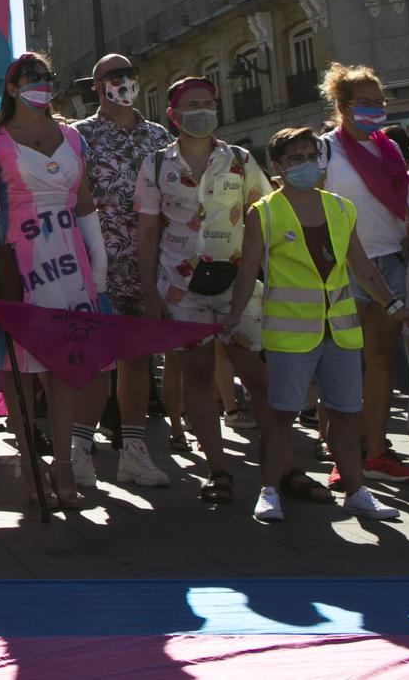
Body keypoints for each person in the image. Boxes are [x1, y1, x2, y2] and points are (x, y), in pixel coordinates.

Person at [0, 52, 105, 512]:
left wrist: (99, 265)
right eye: (32, 77)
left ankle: (62, 464)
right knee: (19, 370)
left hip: (71, 263)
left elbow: (82, 203)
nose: (42, 84)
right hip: (19, 264)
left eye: (47, 76)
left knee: (64, 369)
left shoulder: (73, 137)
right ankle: (29, 461)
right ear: (13, 87)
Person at [239, 128, 409, 524]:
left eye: (310, 155)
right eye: (293, 159)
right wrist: (234, 316)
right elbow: (249, 268)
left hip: (340, 330)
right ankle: (269, 490)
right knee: (282, 415)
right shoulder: (264, 211)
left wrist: (392, 304)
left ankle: (356, 491)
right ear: (277, 167)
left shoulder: (340, 207)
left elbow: (362, 265)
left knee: (347, 414)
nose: (304, 165)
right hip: (289, 334)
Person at [134, 76, 273, 503]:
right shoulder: (156, 165)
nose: (202, 109)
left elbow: (262, 218)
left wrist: (264, 274)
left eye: (208, 102)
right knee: (196, 376)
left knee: (257, 376)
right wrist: (151, 294)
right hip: (179, 288)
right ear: (173, 115)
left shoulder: (241, 160)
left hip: (239, 284)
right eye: (192, 103)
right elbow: (147, 232)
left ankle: (279, 467)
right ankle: (217, 469)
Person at [315, 63, 409, 486]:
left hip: (389, 262)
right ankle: (343, 455)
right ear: (342, 106)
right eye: (365, 103)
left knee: (379, 363)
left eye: (379, 102)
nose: (375, 110)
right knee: (343, 366)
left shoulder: (390, 150)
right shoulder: (324, 150)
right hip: (342, 267)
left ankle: (377, 452)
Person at [73, 53, 173, 490]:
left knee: (138, 361)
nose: (124, 82)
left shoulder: (158, 136)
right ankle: (78, 449)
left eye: (129, 74)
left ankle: (133, 450)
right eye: (114, 76)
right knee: (95, 362)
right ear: (97, 86)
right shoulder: (80, 136)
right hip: (98, 265)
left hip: (149, 266)